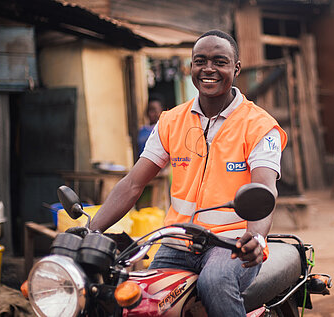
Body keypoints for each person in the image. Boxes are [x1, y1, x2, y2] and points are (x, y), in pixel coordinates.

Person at [90, 29, 287, 316]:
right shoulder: (170, 121)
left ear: (236, 67)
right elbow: (133, 183)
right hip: (178, 243)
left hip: (232, 244)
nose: (208, 69)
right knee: (142, 300)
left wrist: (255, 238)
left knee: (215, 281)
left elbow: (264, 190)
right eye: (200, 61)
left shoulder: (259, 125)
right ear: (191, 67)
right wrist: (91, 230)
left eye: (219, 61)